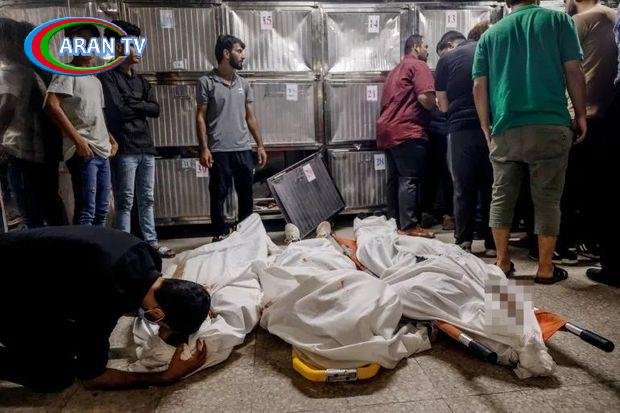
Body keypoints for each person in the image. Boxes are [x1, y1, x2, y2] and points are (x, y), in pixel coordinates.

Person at [0, 226, 210, 392]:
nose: (161, 332)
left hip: (22, 267)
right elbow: (93, 378)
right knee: (56, 376)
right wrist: (164, 377)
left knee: (69, 345)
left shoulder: (147, 257)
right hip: (10, 293)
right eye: (163, 327)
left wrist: (197, 303)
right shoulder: (105, 295)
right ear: (157, 314)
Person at [472, 0, 587, 284]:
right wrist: (581, 113)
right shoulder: (559, 21)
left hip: (506, 127)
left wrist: (486, 126)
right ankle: (545, 268)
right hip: (550, 123)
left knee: (501, 196)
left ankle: (502, 262)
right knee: (548, 199)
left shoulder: (490, 35)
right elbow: (574, 70)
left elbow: (479, 85)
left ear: (507, 2)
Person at [99, 20, 174, 258]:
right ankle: (124, 247)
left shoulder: (141, 81)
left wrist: (133, 103)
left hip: (146, 146)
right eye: (132, 44)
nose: (138, 49)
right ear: (117, 47)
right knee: (125, 200)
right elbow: (117, 111)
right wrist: (141, 105)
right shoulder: (107, 77)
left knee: (147, 198)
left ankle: (151, 243)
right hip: (125, 148)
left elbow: (155, 109)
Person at [195, 35, 267, 241]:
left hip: (243, 149)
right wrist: (204, 148)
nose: (243, 56)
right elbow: (200, 117)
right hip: (219, 150)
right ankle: (219, 235)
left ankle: (246, 236)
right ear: (226, 54)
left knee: (246, 195)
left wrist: (260, 145)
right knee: (218, 195)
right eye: (239, 51)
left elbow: (250, 117)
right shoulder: (206, 82)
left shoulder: (243, 84)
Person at [45, 24, 118, 226]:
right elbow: (51, 105)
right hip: (84, 152)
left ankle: (98, 247)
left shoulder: (95, 80)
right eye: (83, 42)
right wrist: (78, 141)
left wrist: (111, 139)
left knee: (102, 210)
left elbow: (97, 114)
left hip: (102, 150)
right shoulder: (67, 72)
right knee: (87, 210)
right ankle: (82, 247)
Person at [0, 18, 66, 228]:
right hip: (45, 152)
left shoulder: (11, 73)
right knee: (52, 206)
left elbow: (3, 114)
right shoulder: (40, 72)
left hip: (21, 153)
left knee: (31, 214)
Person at [435, 27, 495, 257]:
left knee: (462, 187)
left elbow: (442, 105)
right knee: (491, 186)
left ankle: (464, 241)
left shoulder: (446, 59)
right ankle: (492, 244)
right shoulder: (488, 50)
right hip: (490, 125)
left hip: (460, 129)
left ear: (451, 45)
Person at [376, 34, 437, 238]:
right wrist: (437, 105)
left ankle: (395, 223)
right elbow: (425, 97)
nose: (427, 51)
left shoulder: (395, 70)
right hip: (407, 130)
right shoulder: (418, 66)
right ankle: (410, 225)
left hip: (388, 130)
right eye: (425, 46)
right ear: (416, 47)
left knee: (395, 178)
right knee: (409, 178)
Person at [586, 4, 620, 287]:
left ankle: (613, 266)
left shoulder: (583, 20)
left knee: (608, 190)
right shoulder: (610, 17)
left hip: (604, 108)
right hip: (609, 105)